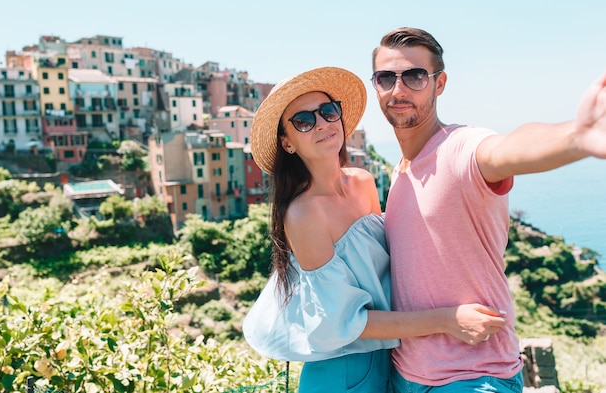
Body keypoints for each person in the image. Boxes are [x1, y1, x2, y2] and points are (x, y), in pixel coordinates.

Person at [242, 66, 508, 393]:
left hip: (393, 361)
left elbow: (391, 266)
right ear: (288, 143)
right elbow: (346, 322)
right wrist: (446, 320)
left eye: (327, 111)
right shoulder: (303, 214)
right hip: (339, 373)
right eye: (304, 121)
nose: (323, 124)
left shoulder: (364, 181)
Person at [370, 27, 606, 392]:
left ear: (439, 83)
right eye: (386, 77)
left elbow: (505, 149)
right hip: (406, 376)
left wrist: (577, 137)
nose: (398, 90)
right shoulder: (401, 173)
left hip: (472, 375)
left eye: (415, 76)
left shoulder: (460, 147)